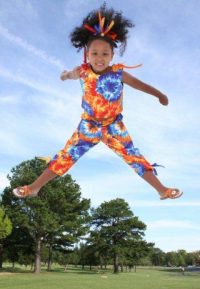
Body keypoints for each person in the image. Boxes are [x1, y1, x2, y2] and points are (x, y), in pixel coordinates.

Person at [13, 4, 183, 200]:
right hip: (89, 125)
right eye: (95, 53)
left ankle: (161, 190)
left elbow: (140, 85)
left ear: (112, 55)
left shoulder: (118, 73)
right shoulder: (83, 72)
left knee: (133, 156)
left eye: (105, 54)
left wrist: (160, 95)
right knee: (66, 155)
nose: (99, 58)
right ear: (87, 54)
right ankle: (33, 187)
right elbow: (64, 76)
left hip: (114, 125)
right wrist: (68, 74)